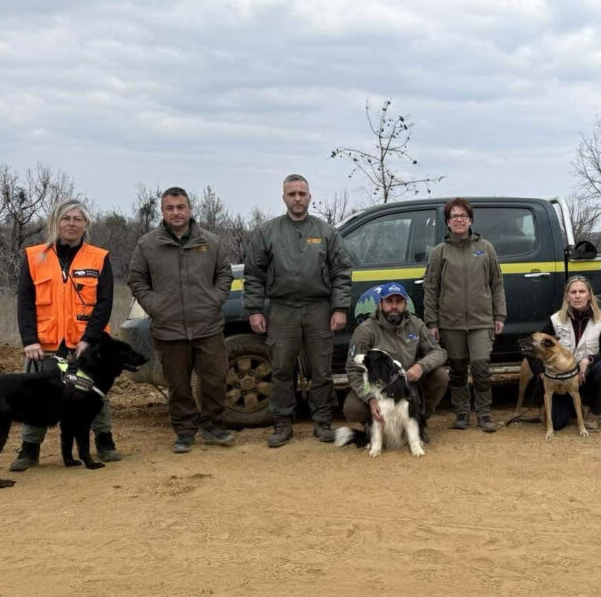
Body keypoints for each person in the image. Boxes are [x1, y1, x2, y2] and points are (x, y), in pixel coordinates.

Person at [10, 199, 121, 471]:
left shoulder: (99, 257)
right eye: (66, 218)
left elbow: (104, 303)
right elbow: (25, 302)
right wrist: (30, 340)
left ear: (86, 224)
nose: (72, 224)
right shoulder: (35, 256)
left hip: (86, 343)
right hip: (46, 344)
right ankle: (29, 449)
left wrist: (90, 340)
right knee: (37, 395)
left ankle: (105, 442)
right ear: (56, 222)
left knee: (93, 393)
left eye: (78, 219)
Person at [244, 174, 353, 448]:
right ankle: (282, 423)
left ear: (309, 197)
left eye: (302, 193)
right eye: (291, 193)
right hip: (281, 309)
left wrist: (339, 307)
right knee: (281, 368)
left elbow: (341, 272)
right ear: (283, 198)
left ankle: (323, 421)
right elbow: (254, 274)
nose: (297, 198)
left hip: (318, 308)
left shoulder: (326, 232)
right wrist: (255, 309)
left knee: (322, 369)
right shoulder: (267, 232)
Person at [127, 187, 237, 453]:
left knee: (215, 380)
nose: (176, 212)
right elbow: (136, 280)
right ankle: (185, 432)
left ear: (190, 209)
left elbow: (224, 274)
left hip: (207, 326)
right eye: (170, 208)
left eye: (180, 207)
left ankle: (213, 427)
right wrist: (155, 307)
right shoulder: (148, 244)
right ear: (163, 211)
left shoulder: (211, 242)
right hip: (169, 329)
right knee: (178, 385)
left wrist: (214, 300)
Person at [423, 197, 506, 433]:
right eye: (454, 216)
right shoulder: (439, 252)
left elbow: (497, 283)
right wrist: (432, 322)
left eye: (463, 216)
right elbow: (430, 289)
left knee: (481, 368)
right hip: (451, 323)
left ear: (470, 220)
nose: (459, 220)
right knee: (458, 369)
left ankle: (484, 414)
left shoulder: (485, 248)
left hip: (482, 322)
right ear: (447, 223)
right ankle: (461, 414)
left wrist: (499, 314)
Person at [343, 282, 449, 437]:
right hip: (377, 386)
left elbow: (440, 353)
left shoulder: (416, 325)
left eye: (399, 302)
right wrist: (370, 398)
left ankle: (419, 422)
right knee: (353, 408)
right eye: (389, 301)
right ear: (380, 304)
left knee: (440, 376)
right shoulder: (365, 330)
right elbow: (352, 369)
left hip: (408, 383)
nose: (394, 306)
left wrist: (421, 366)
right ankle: (372, 427)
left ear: (405, 304)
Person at [523, 275, 601, 431]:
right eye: (573, 292)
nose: (578, 296)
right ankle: (572, 407)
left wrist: (589, 359)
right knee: (557, 423)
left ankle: (595, 411)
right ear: (567, 296)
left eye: (582, 291)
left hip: (586, 376)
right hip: (561, 382)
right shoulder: (555, 320)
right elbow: (531, 348)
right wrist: (541, 373)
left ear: (589, 295)